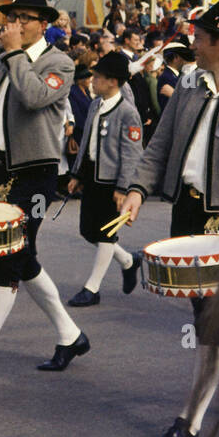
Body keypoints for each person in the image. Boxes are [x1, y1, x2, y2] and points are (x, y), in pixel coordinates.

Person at [0, 0, 89, 387]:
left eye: (25, 18)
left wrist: (13, 55)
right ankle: (70, 335)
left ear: (43, 24)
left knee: (10, 258)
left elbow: (34, 97)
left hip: (36, 173)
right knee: (23, 256)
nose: (17, 25)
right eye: (13, 18)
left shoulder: (58, 61)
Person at [118, 0, 219, 437]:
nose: (193, 41)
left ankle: (189, 422)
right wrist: (136, 189)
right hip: (188, 216)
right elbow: (160, 144)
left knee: (215, 326)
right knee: (208, 322)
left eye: (201, 35)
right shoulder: (189, 84)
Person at [64, 51, 143, 307]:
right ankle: (129, 261)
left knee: (107, 233)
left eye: (97, 77)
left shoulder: (128, 113)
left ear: (113, 81)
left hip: (112, 183)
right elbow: (86, 142)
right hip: (92, 178)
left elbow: (131, 154)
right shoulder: (96, 105)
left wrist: (123, 187)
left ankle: (92, 288)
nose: (92, 81)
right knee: (89, 230)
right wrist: (76, 173)